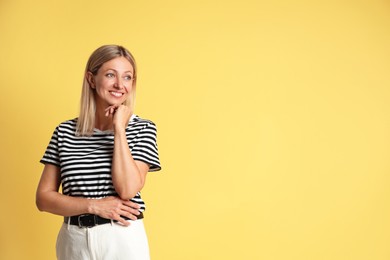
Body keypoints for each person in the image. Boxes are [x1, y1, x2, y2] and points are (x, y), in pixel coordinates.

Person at [36, 45, 161, 260]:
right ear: (91, 79)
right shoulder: (64, 131)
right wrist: (93, 206)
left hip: (121, 238)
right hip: (73, 239)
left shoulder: (143, 128)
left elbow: (128, 189)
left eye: (127, 77)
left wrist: (119, 129)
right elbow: (43, 199)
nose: (119, 85)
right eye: (111, 75)